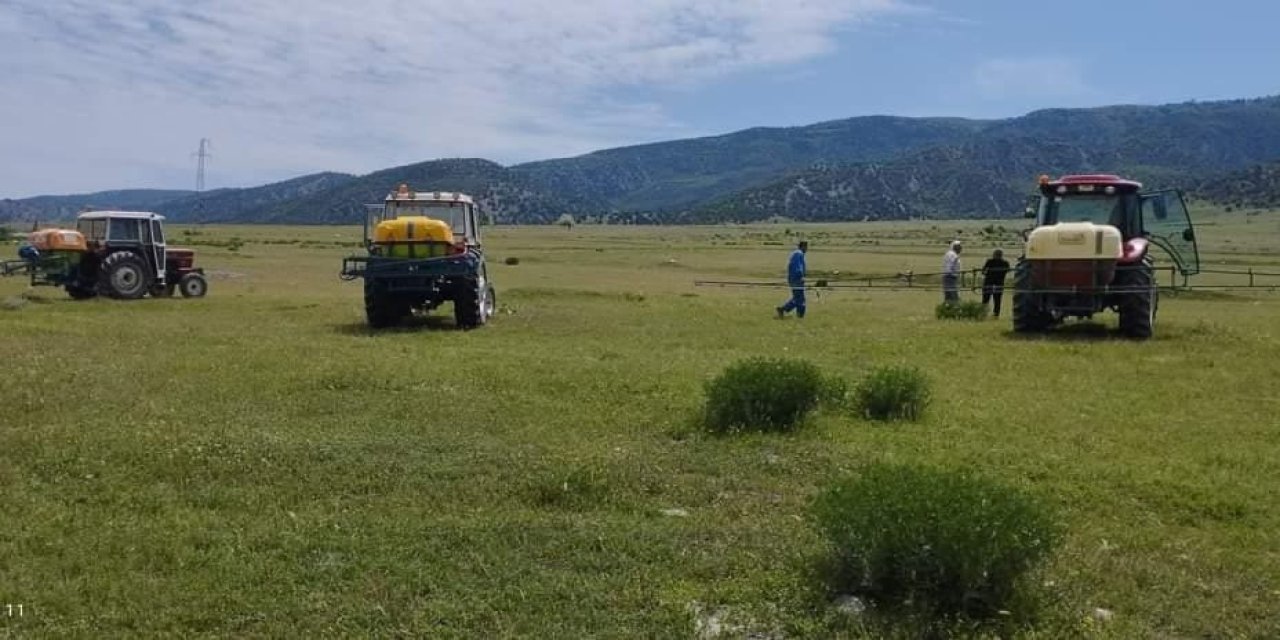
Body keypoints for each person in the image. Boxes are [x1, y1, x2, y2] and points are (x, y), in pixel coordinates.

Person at [776, 240, 808, 319]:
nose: (807, 249)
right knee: (800, 298)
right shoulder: (799, 254)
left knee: (797, 297)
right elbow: (798, 267)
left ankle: (782, 309)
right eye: (806, 247)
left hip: (793, 278)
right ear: (803, 246)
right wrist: (800, 276)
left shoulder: (796, 253)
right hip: (796, 279)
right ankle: (800, 316)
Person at [981, 249, 1012, 318]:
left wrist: (986, 273)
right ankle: (996, 314)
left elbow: (983, 271)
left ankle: (983, 313)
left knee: (986, 298)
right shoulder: (1005, 263)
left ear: (994, 255)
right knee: (997, 299)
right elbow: (1008, 270)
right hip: (999, 282)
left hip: (988, 282)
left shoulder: (990, 261)